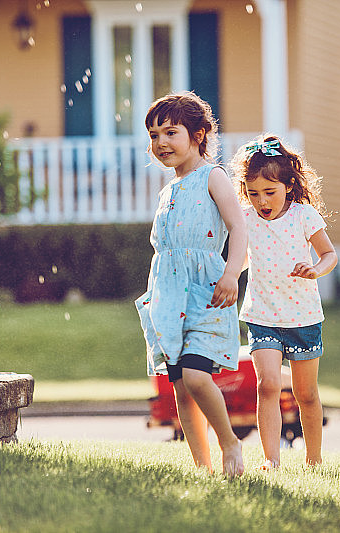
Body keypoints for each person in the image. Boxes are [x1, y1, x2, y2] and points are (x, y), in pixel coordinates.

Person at [135, 92, 246, 477]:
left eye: (170, 132)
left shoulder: (212, 176)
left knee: (198, 377)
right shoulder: (167, 190)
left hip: (206, 292)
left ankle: (230, 443)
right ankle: (203, 465)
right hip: (169, 295)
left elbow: (238, 227)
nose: (160, 142)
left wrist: (232, 273)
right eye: (153, 135)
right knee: (180, 385)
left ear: (198, 135)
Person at [230, 134, 337, 469]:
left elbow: (329, 254)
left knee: (306, 394)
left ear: (289, 186)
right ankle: (271, 459)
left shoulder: (304, 216)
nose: (262, 200)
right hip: (262, 314)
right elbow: (242, 258)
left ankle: (313, 458)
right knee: (268, 385)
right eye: (254, 192)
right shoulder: (245, 219)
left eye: (270, 192)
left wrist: (316, 269)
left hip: (303, 317)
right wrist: (227, 275)